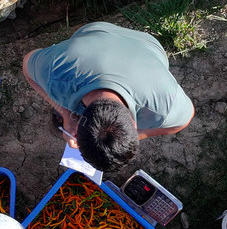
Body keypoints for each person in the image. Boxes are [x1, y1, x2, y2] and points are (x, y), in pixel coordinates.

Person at [22, 22, 195, 172]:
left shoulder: (165, 105)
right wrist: (66, 114)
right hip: (97, 32)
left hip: (147, 47)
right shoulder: (57, 69)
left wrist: (135, 135)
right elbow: (27, 62)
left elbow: (184, 120)